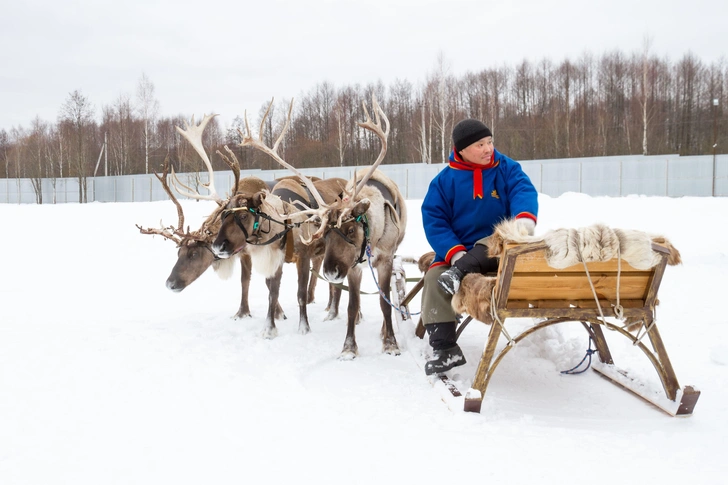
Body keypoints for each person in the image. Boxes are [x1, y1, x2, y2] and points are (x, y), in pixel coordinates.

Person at [420, 119, 538, 375]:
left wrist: (523, 221)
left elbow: (523, 190)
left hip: (503, 250)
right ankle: (445, 349)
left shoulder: (506, 168)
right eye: (480, 145)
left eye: (490, 142)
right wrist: (455, 252)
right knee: (433, 278)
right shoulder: (443, 182)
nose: (488, 149)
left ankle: (460, 271)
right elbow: (434, 220)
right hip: (460, 251)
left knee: (496, 239)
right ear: (461, 149)